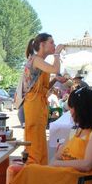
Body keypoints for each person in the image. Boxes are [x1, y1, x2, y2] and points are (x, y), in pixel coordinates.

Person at [21, 33, 70, 164]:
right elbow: (55, 69)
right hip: (34, 104)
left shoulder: (40, 61)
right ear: (42, 45)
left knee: (39, 138)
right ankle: (34, 168)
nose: (54, 45)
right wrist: (57, 54)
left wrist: (55, 80)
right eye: (51, 42)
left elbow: (45, 87)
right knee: (35, 140)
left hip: (39, 103)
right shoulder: (36, 60)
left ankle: (39, 167)